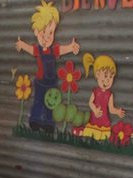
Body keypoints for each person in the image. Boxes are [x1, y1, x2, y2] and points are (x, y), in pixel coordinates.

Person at [14, 1, 80, 132]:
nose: (46, 37)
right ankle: (35, 121)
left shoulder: (53, 50)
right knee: (38, 101)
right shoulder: (37, 50)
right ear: (36, 33)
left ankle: (49, 123)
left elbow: (61, 49)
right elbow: (31, 49)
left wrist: (71, 47)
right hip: (40, 82)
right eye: (43, 34)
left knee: (51, 104)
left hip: (51, 83)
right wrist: (22, 45)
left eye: (50, 33)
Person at [81, 53, 125, 141]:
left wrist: (117, 111)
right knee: (90, 137)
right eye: (105, 76)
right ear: (97, 74)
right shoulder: (95, 91)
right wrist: (95, 110)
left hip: (104, 122)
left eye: (111, 77)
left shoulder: (109, 94)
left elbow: (111, 109)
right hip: (94, 121)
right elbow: (90, 102)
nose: (108, 80)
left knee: (102, 139)